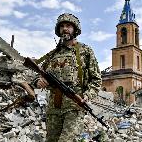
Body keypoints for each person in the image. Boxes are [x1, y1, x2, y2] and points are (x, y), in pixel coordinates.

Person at [33, 13, 102, 142]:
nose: (65, 28)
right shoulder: (52, 54)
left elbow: (96, 80)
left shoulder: (85, 51)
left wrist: (87, 95)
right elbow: (38, 73)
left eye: (68, 26)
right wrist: (38, 81)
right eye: (62, 26)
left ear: (75, 29)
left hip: (74, 107)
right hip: (54, 108)